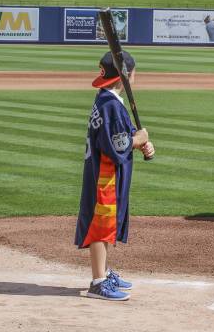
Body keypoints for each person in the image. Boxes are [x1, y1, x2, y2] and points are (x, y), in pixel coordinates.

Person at [75, 51, 155, 301]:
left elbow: (122, 134)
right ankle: (98, 282)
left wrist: (141, 142)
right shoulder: (110, 105)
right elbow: (115, 144)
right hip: (105, 176)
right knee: (101, 225)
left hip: (105, 173)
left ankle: (104, 272)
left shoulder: (108, 101)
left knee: (107, 223)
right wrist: (137, 139)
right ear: (126, 75)